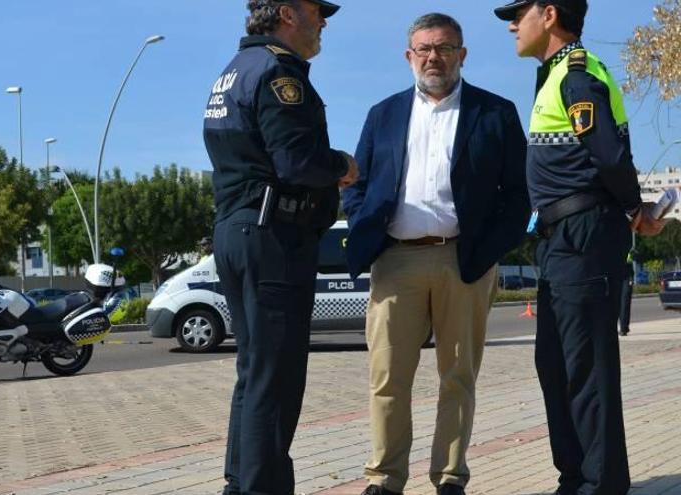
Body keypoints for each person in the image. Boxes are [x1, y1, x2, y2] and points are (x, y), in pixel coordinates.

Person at [342, 13, 529, 495]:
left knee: (458, 377)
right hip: (396, 260)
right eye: (423, 49)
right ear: (409, 57)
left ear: (462, 55)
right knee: (387, 378)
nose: (433, 57)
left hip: (463, 261)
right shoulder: (382, 114)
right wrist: (369, 237)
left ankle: (450, 478)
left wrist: (486, 252)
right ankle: (384, 479)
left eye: (444, 48)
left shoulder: (496, 113)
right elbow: (357, 186)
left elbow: (518, 196)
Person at [494, 1, 666, 493]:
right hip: (561, 240)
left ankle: (600, 483)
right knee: (555, 364)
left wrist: (636, 210)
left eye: (519, 12)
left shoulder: (577, 73)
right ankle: (575, 477)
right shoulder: (555, 75)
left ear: (548, 15)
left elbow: (608, 153)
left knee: (585, 367)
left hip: (583, 235)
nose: (511, 23)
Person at [202, 1, 358, 493]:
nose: (324, 21)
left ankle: (241, 482)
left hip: (239, 230)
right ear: (288, 13)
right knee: (276, 377)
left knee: (255, 374)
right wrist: (342, 166)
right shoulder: (277, 70)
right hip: (273, 236)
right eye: (317, 10)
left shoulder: (233, 71)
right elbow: (295, 160)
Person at [618, 247, 634, 336]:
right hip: (623, 276)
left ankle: (624, 328)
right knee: (624, 303)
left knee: (624, 303)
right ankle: (624, 327)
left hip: (626, 276)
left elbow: (629, 260)